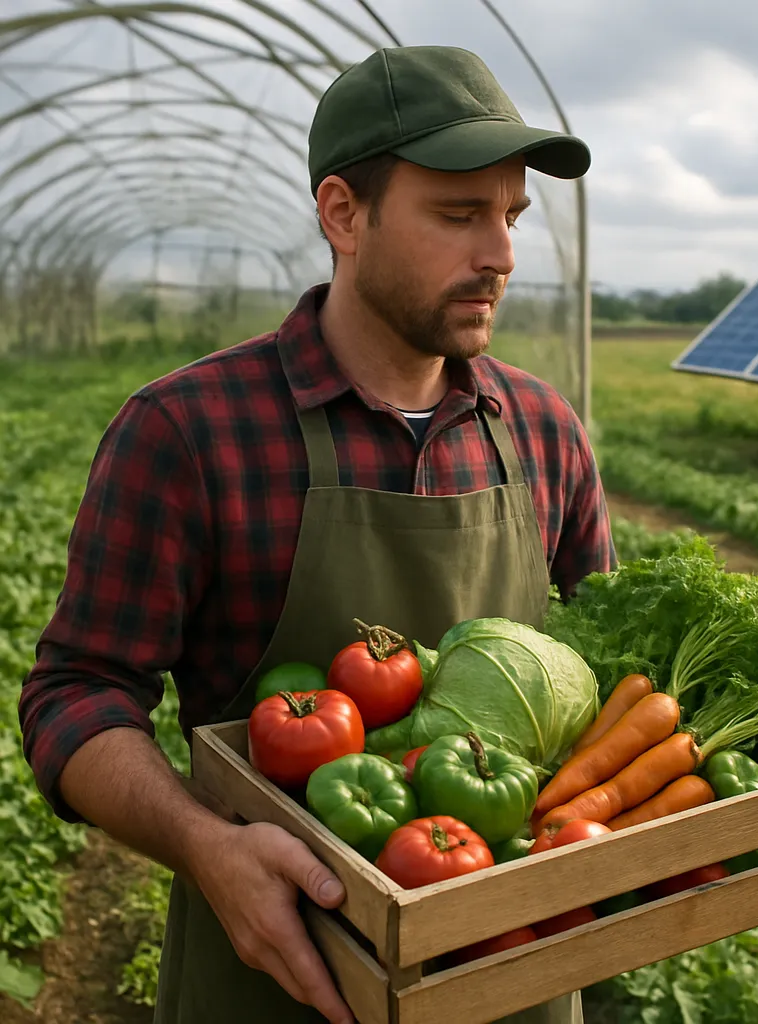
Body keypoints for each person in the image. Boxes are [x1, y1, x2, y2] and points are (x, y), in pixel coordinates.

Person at [18, 44, 614, 1024]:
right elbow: (75, 694)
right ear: (342, 213)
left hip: (511, 968)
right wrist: (203, 843)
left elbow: (608, 671)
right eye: (459, 213)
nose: (501, 254)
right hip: (275, 970)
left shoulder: (543, 431)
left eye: (510, 216)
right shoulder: (189, 431)